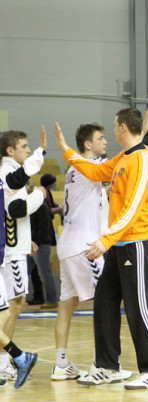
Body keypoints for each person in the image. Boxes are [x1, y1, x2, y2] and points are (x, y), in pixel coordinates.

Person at [55, 107, 148, 389]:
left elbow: (133, 209)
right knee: (104, 302)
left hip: (137, 242)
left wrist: (105, 240)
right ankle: (107, 365)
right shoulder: (122, 158)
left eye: (115, 126)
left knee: (139, 306)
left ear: (123, 129)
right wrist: (67, 151)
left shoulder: (141, 159)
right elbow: (95, 170)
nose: (112, 130)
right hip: (118, 244)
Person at [51, 123, 116, 381]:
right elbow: (119, 167)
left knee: (66, 306)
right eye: (101, 139)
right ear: (87, 144)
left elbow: (98, 193)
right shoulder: (88, 168)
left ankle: (60, 364)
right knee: (104, 303)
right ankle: (103, 365)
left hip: (68, 245)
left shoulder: (77, 171)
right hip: (84, 248)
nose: (105, 142)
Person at [0, 129, 45, 387]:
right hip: (12, 251)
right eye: (24, 146)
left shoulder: (7, 173)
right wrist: (38, 193)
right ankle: (7, 363)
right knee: (12, 306)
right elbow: (18, 210)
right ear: (10, 150)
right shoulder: (8, 174)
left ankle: (6, 363)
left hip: (16, 245)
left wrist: (28, 240)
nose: (27, 151)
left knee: (10, 306)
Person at [30, 174, 60, 310]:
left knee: (45, 273)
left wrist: (35, 242)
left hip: (40, 245)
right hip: (34, 244)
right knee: (25, 271)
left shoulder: (42, 207)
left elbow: (43, 228)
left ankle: (52, 300)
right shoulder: (34, 207)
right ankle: (15, 298)